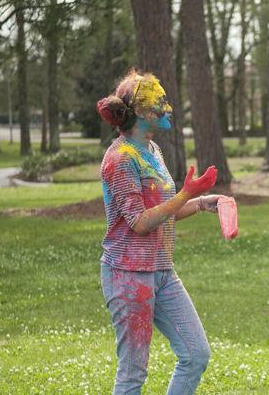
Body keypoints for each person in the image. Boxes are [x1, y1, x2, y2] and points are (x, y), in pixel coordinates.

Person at [96, 69, 225, 395]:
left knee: (196, 354)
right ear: (139, 112)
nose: (168, 109)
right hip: (127, 275)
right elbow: (139, 222)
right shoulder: (120, 158)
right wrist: (185, 193)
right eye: (160, 103)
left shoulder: (152, 151)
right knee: (133, 373)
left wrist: (200, 203)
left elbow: (163, 212)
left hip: (162, 272)